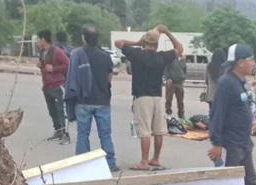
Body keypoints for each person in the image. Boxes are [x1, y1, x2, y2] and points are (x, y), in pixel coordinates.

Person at [208, 43, 256, 185]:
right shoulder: (226, 83)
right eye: (250, 59)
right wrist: (216, 142)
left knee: (250, 179)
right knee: (228, 181)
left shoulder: (241, 82)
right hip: (230, 143)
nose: (254, 62)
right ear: (240, 62)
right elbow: (217, 113)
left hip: (244, 141)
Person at [115, 26, 182, 172]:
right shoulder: (162, 56)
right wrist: (167, 32)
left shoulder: (136, 54)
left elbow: (118, 42)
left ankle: (144, 161)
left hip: (142, 96)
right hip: (157, 97)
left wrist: (137, 42)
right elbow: (179, 48)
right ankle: (155, 158)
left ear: (144, 42)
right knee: (158, 130)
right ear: (157, 44)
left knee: (145, 130)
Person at [67, 24, 119, 172]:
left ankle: (82, 164)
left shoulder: (77, 54)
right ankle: (110, 163)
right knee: (105, 134)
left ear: (83, 38)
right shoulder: (105, 56)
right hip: (102, 100)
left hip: (83, 101)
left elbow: (72, 78)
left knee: (83, 134)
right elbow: (109, 78)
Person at [36, 29, 70, 144]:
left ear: (43, 39)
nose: (37, 42)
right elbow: (44, 66)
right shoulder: (42, 52)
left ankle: (64, 132)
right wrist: (40, 66)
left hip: (57, 85)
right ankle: (57, 130)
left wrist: (54, 69)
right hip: (47, 85)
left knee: (60, 110)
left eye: (38, 39)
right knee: (52, 110)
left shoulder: (57, 52)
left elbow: (67, 64)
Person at [165, 53, 187, 119]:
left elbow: (184, 70)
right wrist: (168, 78)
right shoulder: (170, 60)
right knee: (169, 99)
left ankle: (181, 114)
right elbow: (166, 69)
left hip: (179, 83)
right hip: (171, 83)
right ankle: (168, 113)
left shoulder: (182, 60)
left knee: (180, 100)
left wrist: (184, 78)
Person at [205, 48, 226, 114]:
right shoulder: (225, 67)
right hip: (222, 96)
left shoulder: (209, 66)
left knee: (212, 113)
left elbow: (206, 80)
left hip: (211, 95)